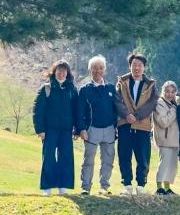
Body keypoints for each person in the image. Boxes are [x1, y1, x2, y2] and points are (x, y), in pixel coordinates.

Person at [33, 59, 82, 195]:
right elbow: (38, 110)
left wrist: (77, 129)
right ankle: (47, 188)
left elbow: (77, 111)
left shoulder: (72, 89)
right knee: (48, 157)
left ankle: (62, 187)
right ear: (54, 72)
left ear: (67, 73)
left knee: (66, 158)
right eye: (59, 70)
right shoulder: (46, 88)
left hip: (66, 130)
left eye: (64, 71)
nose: (61, 73)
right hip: (49, 130)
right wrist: (40, 130)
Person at [114, 52, 159, 194]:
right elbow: (117, 101)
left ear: (144, 67)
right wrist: (126, 115)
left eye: (140, 65)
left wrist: (137, 115)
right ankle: (127, 184)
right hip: (125, 124)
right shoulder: (122, 82)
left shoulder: (150, 85)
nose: (137, 68)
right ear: (130, 66)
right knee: (124, 155)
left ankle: (141, 185)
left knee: (143, 157)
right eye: (134, 65)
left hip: (142, 125)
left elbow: (152, 103)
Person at [78, 55, 117, 195]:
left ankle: (104, 187)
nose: (98, 71)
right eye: (94, 68)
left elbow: (116, 109)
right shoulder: (84, 90)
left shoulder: (111, 88)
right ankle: (85, 187)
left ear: (104, 70)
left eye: (101, 68)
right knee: (88, 160)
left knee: (108, 160)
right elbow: (79, 112)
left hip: (109, 129)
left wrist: (115, 127)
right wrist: (81, 129)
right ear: (90, 70)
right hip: (91, 129)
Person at [152, 81, 180, 195]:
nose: (170, 94)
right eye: (167, 91)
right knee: (164, 164)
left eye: (173, 92)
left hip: (174, 139)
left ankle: (167, 188)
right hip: (164, 139)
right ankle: (159, 188)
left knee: (172, 166)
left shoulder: (174, 103)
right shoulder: (159, 103)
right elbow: (163, 122)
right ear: (163, 91)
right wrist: (174, 109)